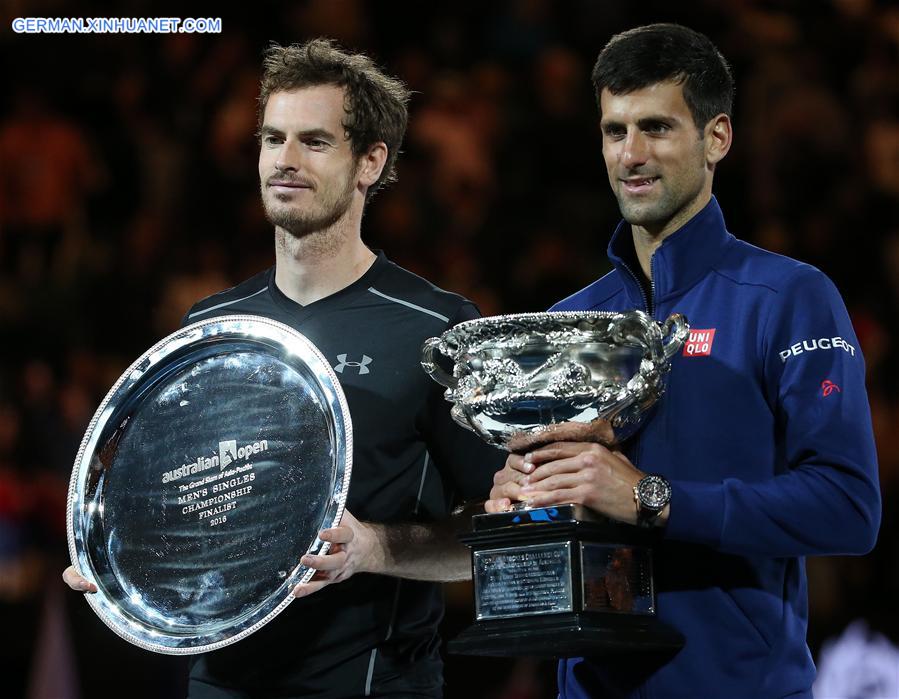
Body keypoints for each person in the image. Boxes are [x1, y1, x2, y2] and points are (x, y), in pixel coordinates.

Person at [63, 38, 504, 698]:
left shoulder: (434, 326)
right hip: (218, 682)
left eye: (315, 142)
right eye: (273, 139)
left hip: (372, 683)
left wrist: (372, 549)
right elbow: (199, 500)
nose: (285, 161)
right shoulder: (212, 326)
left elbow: (498, 533)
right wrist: (129, 558)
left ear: (370, 161)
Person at [486, 23, 881, 699]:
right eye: (614, 131)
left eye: (657, 128)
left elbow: (847, 506)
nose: (630, 154)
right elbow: (552, 512)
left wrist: (650, 498)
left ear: (716, 138)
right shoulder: (566, 321)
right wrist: (521, 509)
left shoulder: (787, 296)